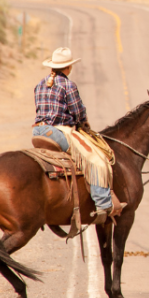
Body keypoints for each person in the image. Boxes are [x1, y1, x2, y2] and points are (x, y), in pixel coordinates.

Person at [32, 47, 121, 216]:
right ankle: (103, 203)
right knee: (96, 160)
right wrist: (83, 122)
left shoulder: (40, 84)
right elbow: (77, 111)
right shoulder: (68, 85)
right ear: (68, 68)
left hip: (38, 132)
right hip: (58, 132)